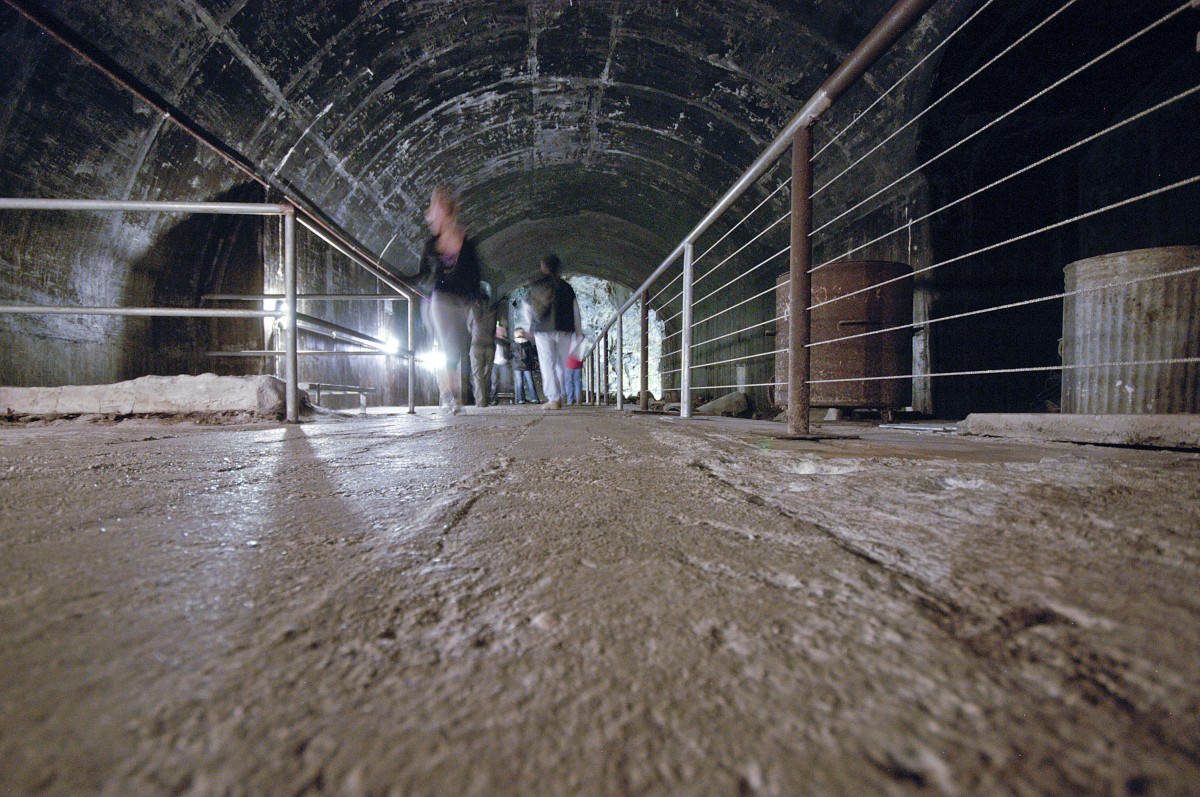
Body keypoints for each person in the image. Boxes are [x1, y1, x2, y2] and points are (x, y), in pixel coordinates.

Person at [416, 186, 482, 414]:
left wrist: (475, 302)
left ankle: (448, 392)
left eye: (437, 211)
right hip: (439, 300)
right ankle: (450, 393)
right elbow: (423, 274)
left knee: (457, 346)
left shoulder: (467, 244)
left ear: (449, 213)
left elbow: (475, 276)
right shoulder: (430, 245)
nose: (432, 217)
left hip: (461, 303)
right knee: (447, 345)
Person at [524, 253, 582, 410]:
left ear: (543, 267)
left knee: (547, 363)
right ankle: (562, 395)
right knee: (561, 364)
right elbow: (575, 308)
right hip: (564, 329)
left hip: (542, 329)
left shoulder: (536, 286)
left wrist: (531, 327)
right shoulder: (566, 287)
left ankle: (553, 398)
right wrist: (578, 331)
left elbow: (527, 307)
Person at [468, 291, 497, 407]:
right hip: (489, 345)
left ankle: (481, 401)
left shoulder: (473, 310)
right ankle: (486, 399)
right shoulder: (492, 312)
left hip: (476, 344)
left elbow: (469, 327)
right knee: (487, 374)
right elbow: (494, 329)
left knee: (477, 375)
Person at [510, 327, 540, 404]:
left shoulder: (513, 344)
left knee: (519, 382)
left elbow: (510, 354)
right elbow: (531, 355)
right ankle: (535, 398)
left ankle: (521, 399)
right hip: (527, 365)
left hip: (517, 366)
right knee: (530, 382)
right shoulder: (528, 343)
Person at [491, 319, 513, 404]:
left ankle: (507, 399)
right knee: (493, 382)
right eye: (499, 330)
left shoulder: (506, 342)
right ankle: (493, 399)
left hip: (503, 362)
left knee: (506, 381)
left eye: (501, 331)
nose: (500, 332)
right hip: (494, 363)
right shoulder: (493, 341)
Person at [564, 333, 584, 405]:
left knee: (569, 383)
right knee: (577, 382)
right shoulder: (581, 341)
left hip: (568, 363)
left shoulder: (566, 341)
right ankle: (578, 400)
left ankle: (570, 400)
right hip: (578, 363)